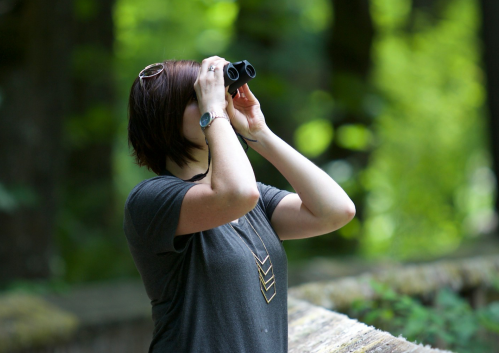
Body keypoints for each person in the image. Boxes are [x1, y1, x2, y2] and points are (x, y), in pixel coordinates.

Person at [124, 56, 355, 352]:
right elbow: (236, 195)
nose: (218, 101)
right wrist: (216, 113)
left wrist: (259, 133)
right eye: (200, 97)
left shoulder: (251, 198)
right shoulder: (151, 200)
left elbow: (335, 211)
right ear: (165, 116)